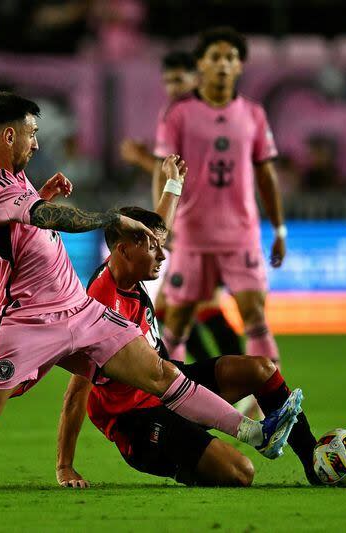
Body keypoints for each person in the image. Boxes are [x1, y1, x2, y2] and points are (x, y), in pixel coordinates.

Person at [0, 92, 302, 492]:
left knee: (158, 372)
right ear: (9, 134)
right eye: (33, 134)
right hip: (28, 320)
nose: (36, 143)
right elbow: (47, 220)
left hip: (77, 308)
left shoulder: (7, 172)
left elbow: (28, 220)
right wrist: (109, 218)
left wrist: (44, 197)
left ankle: (256, 432)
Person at [55, 201, 317, 488]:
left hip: (172, 384)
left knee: (262, 370)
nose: (163, 255)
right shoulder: (101, 306)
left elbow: (153, 232)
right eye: (154, 247)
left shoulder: (127, 268)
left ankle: (315, 463)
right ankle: (182, 450)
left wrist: (173, 186)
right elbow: (77, 389)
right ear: (125, 250)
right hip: (136, 420)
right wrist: (65, 467)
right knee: (241, 472)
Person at [152, 27, 287, 370]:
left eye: (231, 57)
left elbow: (266, 174)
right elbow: (162, 170)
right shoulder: (178, 114)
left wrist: (279, 229)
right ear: (201, 64)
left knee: (254, 314)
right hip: (193, 234)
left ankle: (273, 403)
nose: (223, 65)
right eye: (215, 57)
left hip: (239, 234)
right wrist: (160, 225)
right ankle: (169, 400)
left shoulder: (253, 114)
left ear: (240, 65)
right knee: (177, 322)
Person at [121, 50, 243, 364]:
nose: (172, 86)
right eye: (167, 80)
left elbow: (187, 173)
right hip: (191, 228)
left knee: (182, 310)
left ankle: (242, 379)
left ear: (196, 78)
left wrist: (139, 158)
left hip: (198, 229)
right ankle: (232, 380)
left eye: (179, 79)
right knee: (174, 310)